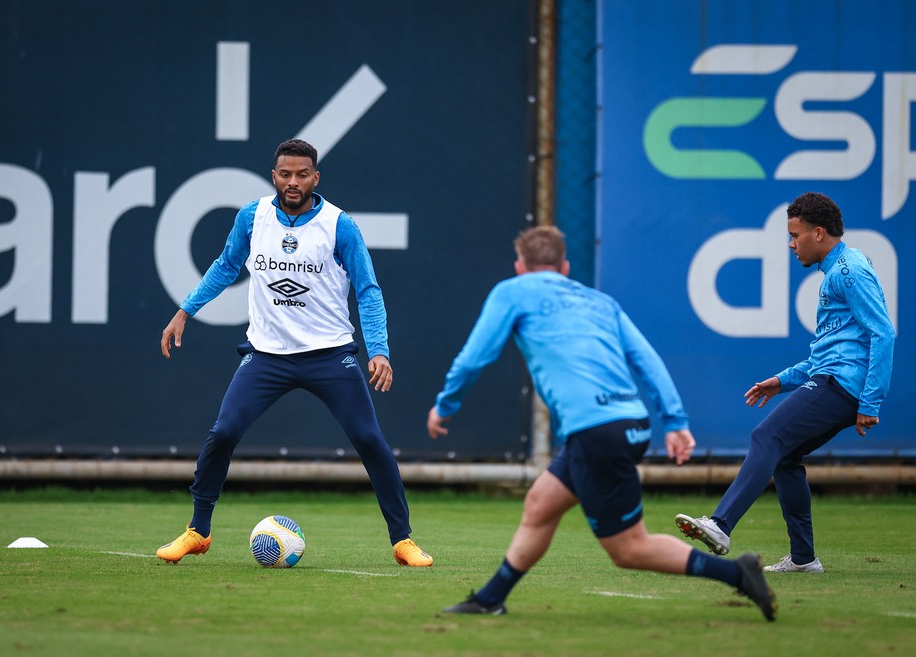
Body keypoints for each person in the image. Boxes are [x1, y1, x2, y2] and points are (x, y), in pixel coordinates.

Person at [427, 225, 776, 621]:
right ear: (565, 267)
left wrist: (445, 405)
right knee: (541, 504)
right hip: (626, 424)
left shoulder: (513, 290)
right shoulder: (600, 301)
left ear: (519, 267)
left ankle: (737, 572)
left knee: (628, 549)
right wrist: (675, 420)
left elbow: (475, 358)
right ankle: (491, 598)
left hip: (597, 433)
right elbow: (646, 360)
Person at [156, 138, 432, 567]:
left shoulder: (341, 225)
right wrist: (185, 310)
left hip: (330, 355)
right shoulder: (253, 216)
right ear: (274, 176)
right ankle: (198, 531)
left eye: (302, 174)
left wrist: (379, 350)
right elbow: (226, 266)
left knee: (368, 439)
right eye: (285, 174)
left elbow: (368, 290)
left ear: (315, 178)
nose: (293, 181)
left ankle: (403, 541)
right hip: (266, 356)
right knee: (223, 433)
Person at [676, 192, 895, 573]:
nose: (791, 244)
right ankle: (803, 559)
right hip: (835, 381)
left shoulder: (849, 272)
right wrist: (783, 380)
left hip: (842, 387)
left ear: (820, 233)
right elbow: (830, 351)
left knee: (767, 437)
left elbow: (884, 334)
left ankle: (721, 525)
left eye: (795, 235)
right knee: (785, 456)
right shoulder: (840, 268)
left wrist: (870, 402)